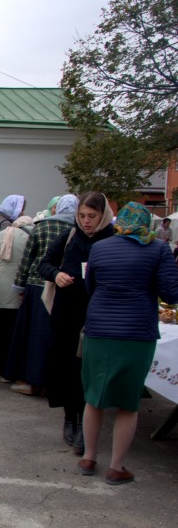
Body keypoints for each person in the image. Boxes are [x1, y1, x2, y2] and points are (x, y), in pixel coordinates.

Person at [78, 202, 178, 485]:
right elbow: (170, 294)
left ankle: (88, 456)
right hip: (136, 332)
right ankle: (116, 466)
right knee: (127, 401)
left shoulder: (99, 247)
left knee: (94, 395)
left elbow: (90, 287)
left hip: (98, 328)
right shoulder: (158, 249)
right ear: (147, 223)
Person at [39, 192, 114, 454]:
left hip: (98, 313)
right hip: (66, 312)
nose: (86, 222)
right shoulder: (69, 236)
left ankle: (86, 424)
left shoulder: (113, 239)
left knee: (89, 369)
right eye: (81, 216)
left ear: (103, 214)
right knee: (66, 364)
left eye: (92, 216)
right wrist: (57, 274)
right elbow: (44, 264)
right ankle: (70, 417)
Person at [5, 194, 78, 395]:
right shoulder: (78, 231)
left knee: (33, 335)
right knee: (57, 337)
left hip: (37, 286)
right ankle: (53, 381)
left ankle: (31, 380)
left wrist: (19, 287)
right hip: (65, 288)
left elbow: (27, 260)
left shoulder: (42, 227)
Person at [0, 215, 33, 381]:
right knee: (14, 335)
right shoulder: (32, 235)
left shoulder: (6, 233)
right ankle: (13, 370)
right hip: (20, 291)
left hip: (0, 290)